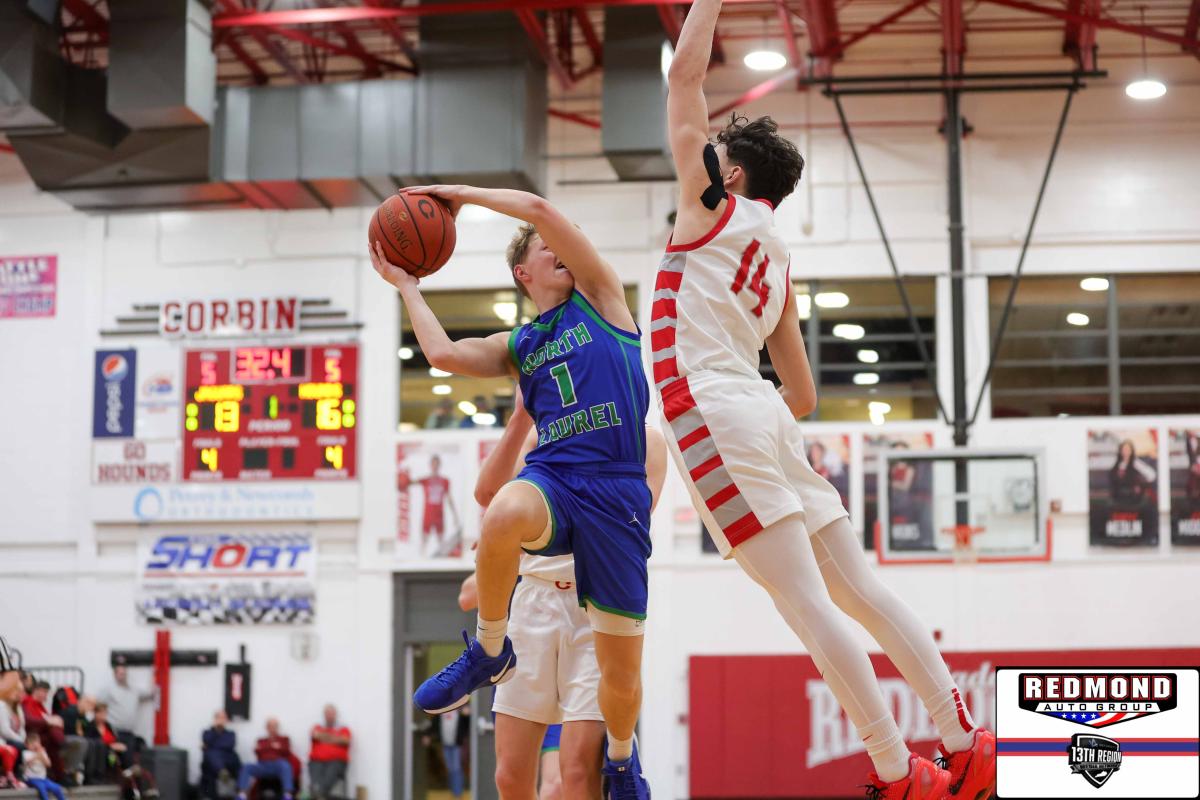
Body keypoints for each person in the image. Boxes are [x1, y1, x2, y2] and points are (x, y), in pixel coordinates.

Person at [661, 4, 994, 798]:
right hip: (766, 416)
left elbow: (683, 79)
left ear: (729, 176)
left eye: (712, 155)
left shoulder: (710, 209)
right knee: (860, 590)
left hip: (712, 407)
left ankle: (895, 769)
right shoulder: (778, 259)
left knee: (807, 605)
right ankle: (962, 741)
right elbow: (803, 393)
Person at [373, 182, 654, 798]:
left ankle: (622, 759)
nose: (560, 247)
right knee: (502, 512)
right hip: (556, 475)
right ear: (524, 273)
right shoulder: (521, 344)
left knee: (620, 677)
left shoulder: (602, 299)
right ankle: (489, 650)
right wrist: (408, 286)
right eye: (545, 248)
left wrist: (457, 194)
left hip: (615, 488)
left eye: (562, 242)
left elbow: (541, 210)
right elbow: (443, 353)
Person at [465, 394, 668, 800]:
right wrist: (521, 415)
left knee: (575, 774)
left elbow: (622, 526)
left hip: (596, 605)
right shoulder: (543, 433)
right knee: (509, 776)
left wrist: (527, 529)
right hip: (533, 601)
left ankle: (624, 757)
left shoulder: (645, 439)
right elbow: (489, 495)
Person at [99, 665, 154, 755]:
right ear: (115, 675)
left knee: (129, 759)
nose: (123, 676)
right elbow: (98, 705)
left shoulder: (134, 690)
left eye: (124, 674)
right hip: (114, 732)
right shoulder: (108, 690)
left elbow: (150, 694)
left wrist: (154, 676)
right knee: (115, 759)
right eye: (120, 674)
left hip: (129, 733)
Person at [237, 718, 297, 800]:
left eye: (274, 726)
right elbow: (258, 752)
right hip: (262, 765)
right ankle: (242, 795)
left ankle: (288, 795)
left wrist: (267, 747)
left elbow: (286, 751)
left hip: (278, 765)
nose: (272, 728)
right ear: (267, 727)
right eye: (270, 726)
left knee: (286, 766)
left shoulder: (284, 739)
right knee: (247, 766)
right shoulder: (261, 740)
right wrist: (274, 746)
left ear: (278, 727)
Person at [23, 681, 71, 781]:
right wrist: (49, 721)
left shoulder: (41, 706)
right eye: (45, 692)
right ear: (38, 691)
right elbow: (30, 721)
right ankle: (60, 775)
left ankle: (62, 774)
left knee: (54, 737)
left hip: (42, 734)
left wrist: (55, 720)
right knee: (53, 739)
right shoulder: (27, 701)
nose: (46, 696)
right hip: (33, 736)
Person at [416, 454, 460, 558]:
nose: (435, 466)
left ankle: (441, 559)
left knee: (441, 542)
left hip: (438, 514)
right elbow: (410, 482)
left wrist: (455, 515)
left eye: (436, 464)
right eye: (433, 464)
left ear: (439, 465)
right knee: (424, 541)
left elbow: (449, 498)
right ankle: (420, 558)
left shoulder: (444, 481)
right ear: (430, 465)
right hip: (428, 514)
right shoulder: (425, 480)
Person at [420, 706, 468, 799]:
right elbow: (433, 725)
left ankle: (457, 793)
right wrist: (427, 735)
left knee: (456, 768)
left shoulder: (461, 714)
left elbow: (468, 725)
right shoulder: (440, 715)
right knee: (450, 768)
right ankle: (453, 791)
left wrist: (467, 715)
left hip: (457, 745)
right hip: (446, 745)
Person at [308, 705, 350, 800]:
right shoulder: (317, 727)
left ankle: (318, 795)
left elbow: (345, 740)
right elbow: (315, 735)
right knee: (315, 780)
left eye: (331, 714)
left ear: (335, 715)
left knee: (328, 777)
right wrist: (335, 738)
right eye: (327, 714)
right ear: (324, 715)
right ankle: (319, 795)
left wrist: (323, 737)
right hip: (316, 761)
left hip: (336, 762)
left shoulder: (343, 729)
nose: (329, 716)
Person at [200, 710, 240, 800]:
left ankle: (222, 771)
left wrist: (211, 745)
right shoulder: (207, 732)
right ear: (215, 719)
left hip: (228, 759)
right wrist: (214, 729)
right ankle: (222, 771)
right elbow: (207, 740)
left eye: (223, 718)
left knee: (212, 752)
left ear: (226, 720)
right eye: (219, 717)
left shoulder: (231, 734)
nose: (221, 720)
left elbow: (229, 745)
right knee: (211, 754)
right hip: (212, 761)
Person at [23, 733, 66, 800]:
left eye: (36, 744)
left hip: (43, 778)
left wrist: (42, 755)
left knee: (57, 787)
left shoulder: (42, 753)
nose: (34, 746)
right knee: (42, 789)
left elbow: (48, 764)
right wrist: (37, 755)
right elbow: (28, 762)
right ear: (26, 745)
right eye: (32, 744)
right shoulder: (26, 753)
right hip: (31, 778)